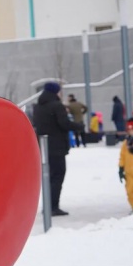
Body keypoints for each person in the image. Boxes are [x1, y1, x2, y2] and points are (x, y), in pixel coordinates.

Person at [33, 81, 84, 216]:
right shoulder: (56, 106)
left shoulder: (38, 106)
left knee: (49, 177)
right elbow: (64, 124)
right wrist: (79, 126)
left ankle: (48, 205)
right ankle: (53, 206)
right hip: (57, 146)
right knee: (57, 176)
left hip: (44, 147)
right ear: (56, 92)